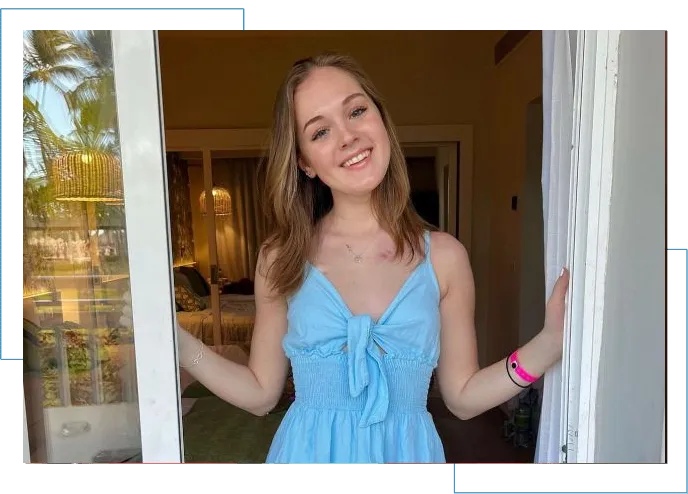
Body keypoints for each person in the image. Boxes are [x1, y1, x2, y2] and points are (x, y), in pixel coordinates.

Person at [121, 52, 570, 464]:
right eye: (320, 131)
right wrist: (179, 344)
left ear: (381, 119)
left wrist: (546, 346)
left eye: (356, 111)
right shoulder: (280, 259)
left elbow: (463, 397)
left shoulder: (445, 257)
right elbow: (260, 393)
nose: (348, 136)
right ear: (305, 162)